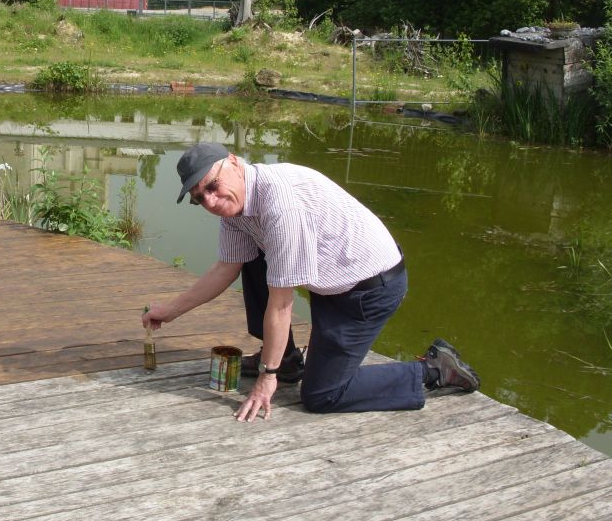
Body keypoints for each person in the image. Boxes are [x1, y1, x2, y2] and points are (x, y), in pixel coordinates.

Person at [141, 142, 480, 423]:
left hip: (368, 292)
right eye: (200, 198)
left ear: (233, 161)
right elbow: (225, 269)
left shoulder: (279, 204)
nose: (211, 202)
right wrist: (170, 311)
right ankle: (287, 360)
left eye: (212, 187)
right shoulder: (237, 207)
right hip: (331, 282)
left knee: (323, 394)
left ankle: (434, 371)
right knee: (250, 259)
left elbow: (281, 305)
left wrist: (266, 378)